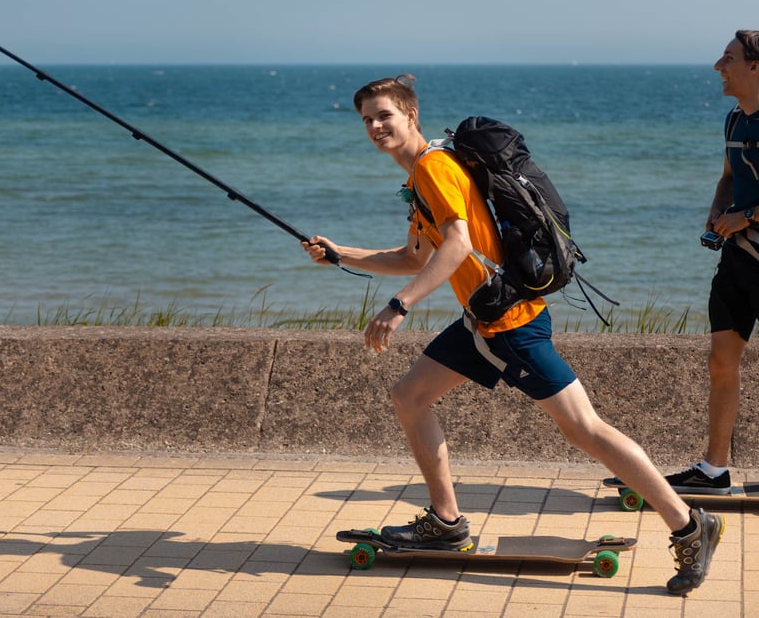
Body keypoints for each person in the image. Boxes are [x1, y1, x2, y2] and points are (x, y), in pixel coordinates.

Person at [302, 74, 723, 596]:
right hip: (483, 322)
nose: (374, 126)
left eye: (384, 115)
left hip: (512, 325)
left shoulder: (434, 167)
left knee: (584, 429)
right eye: (366, 118)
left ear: (410, 114)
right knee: (409, 397)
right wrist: (342, 253)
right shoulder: (420, 177)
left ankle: (688, 525)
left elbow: (455, 245)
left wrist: (399, 305)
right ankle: (447, 523)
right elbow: (415, 256)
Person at [661, 30, 759, 492]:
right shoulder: (734, 120)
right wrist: (719, 209)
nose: (719, 66)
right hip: (738, 263)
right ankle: (715, 471)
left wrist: (747, 216)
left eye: (729, 58)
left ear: (755, 67)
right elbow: (727, 176)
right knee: (722, 362)